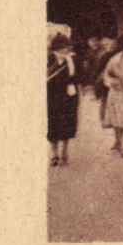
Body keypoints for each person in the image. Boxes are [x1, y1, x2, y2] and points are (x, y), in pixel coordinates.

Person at [47, 33, 80, 166]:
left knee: (67, 123)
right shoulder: (48, 60)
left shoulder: (73, 60)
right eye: (65, 46)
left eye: (68, 46)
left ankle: (65, 152)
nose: (68, 49)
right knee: (52, 124)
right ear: (58, 47)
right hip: (52, 96)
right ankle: (54, 154)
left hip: (68, 96)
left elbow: (78, 77)